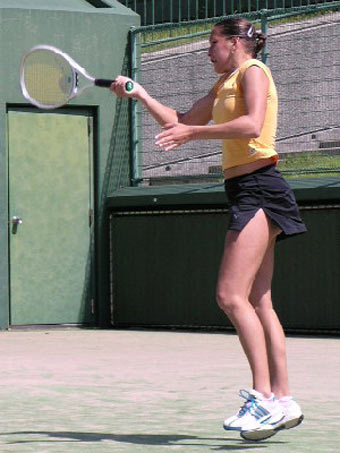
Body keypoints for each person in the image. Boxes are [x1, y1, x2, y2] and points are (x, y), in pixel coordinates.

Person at [111, 16, 306, 441]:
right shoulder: (224, 85)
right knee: (258, 299)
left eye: (213, 44)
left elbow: (253, 125)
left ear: (235, 43)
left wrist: (193, 133)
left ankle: (263, 398)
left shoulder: (253, 72)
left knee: (229, 295)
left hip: (259, 186)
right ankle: (284, 398)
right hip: (247, 187)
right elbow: (176, 120)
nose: (207, 51)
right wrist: (140, 93)